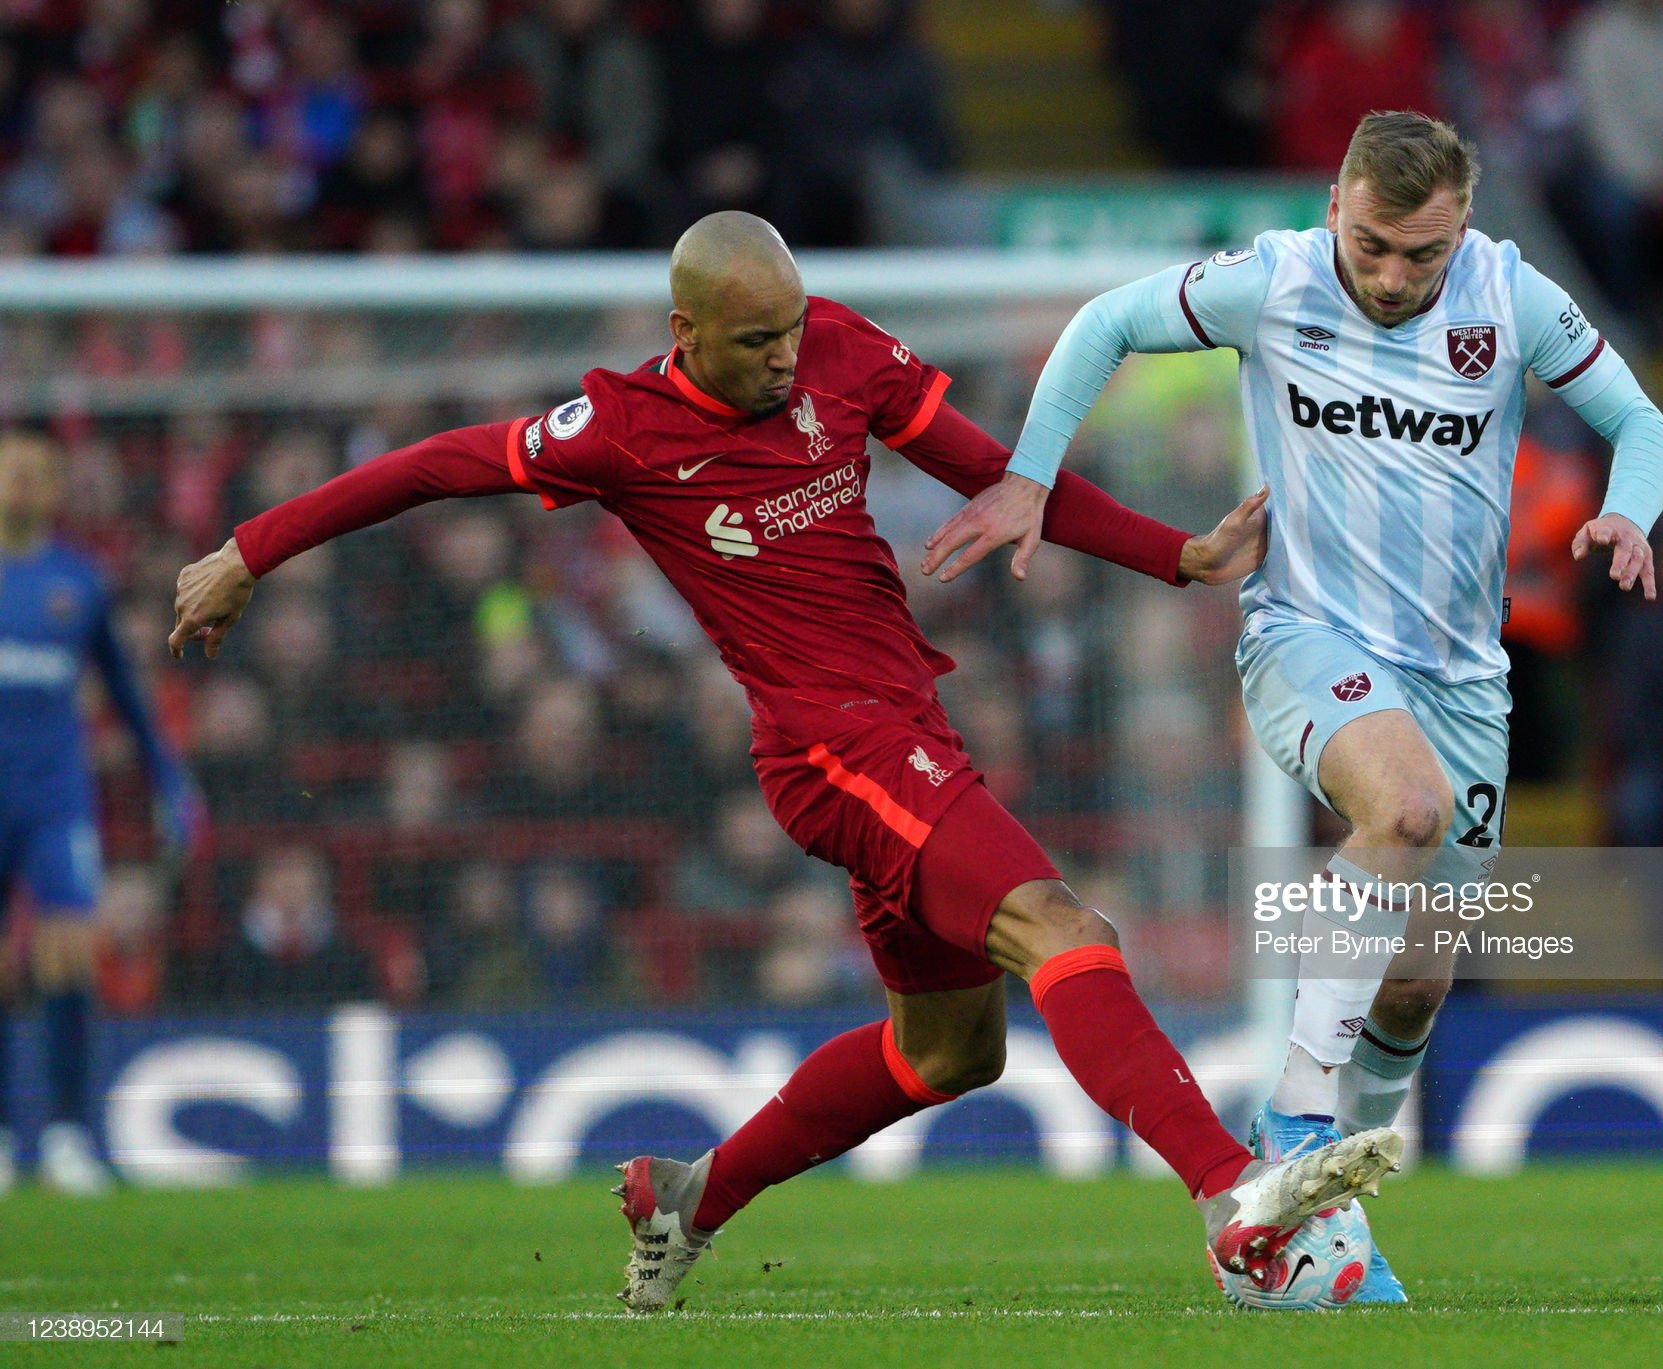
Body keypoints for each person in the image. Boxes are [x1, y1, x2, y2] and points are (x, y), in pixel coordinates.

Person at [167, 211, 1404, 1310]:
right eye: (754, 342)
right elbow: (433, 464)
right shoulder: (622, 427)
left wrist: (1174, 556)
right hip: (827, 744)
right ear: (686, 330)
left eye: (790, 332)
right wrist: (250, 549)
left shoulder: (840, 350)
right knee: (1062, 928)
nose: (781, 362)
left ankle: (688, 1198)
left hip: (905, 723)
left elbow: (991, 472)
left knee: (946, 1053)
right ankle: (1230, 1193)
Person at [924, 111, 1663, 1301]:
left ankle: (1327, 1230)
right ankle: (1289, 1124)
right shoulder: (1270, 282)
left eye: (1417, 255)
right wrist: (1027, 474)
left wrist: (1629, 510)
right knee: (1407, 808)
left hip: (1462, 677)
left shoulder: (1509, 295)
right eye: (1371, 243)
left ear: (1461, 230)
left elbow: (1639, 421)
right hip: (1301, 637)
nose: (1389, 276)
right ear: (1336, 204)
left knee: (1419, 980)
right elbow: (1104, 322)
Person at [0, 431, 201, 1196]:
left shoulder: (78, 583)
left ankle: (65, 1135)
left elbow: (126, 697)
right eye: (11, 471)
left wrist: (169, 780)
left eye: (36, 474)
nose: (21, 485)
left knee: (66, 954)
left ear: (54, 490)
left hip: (55, 799)